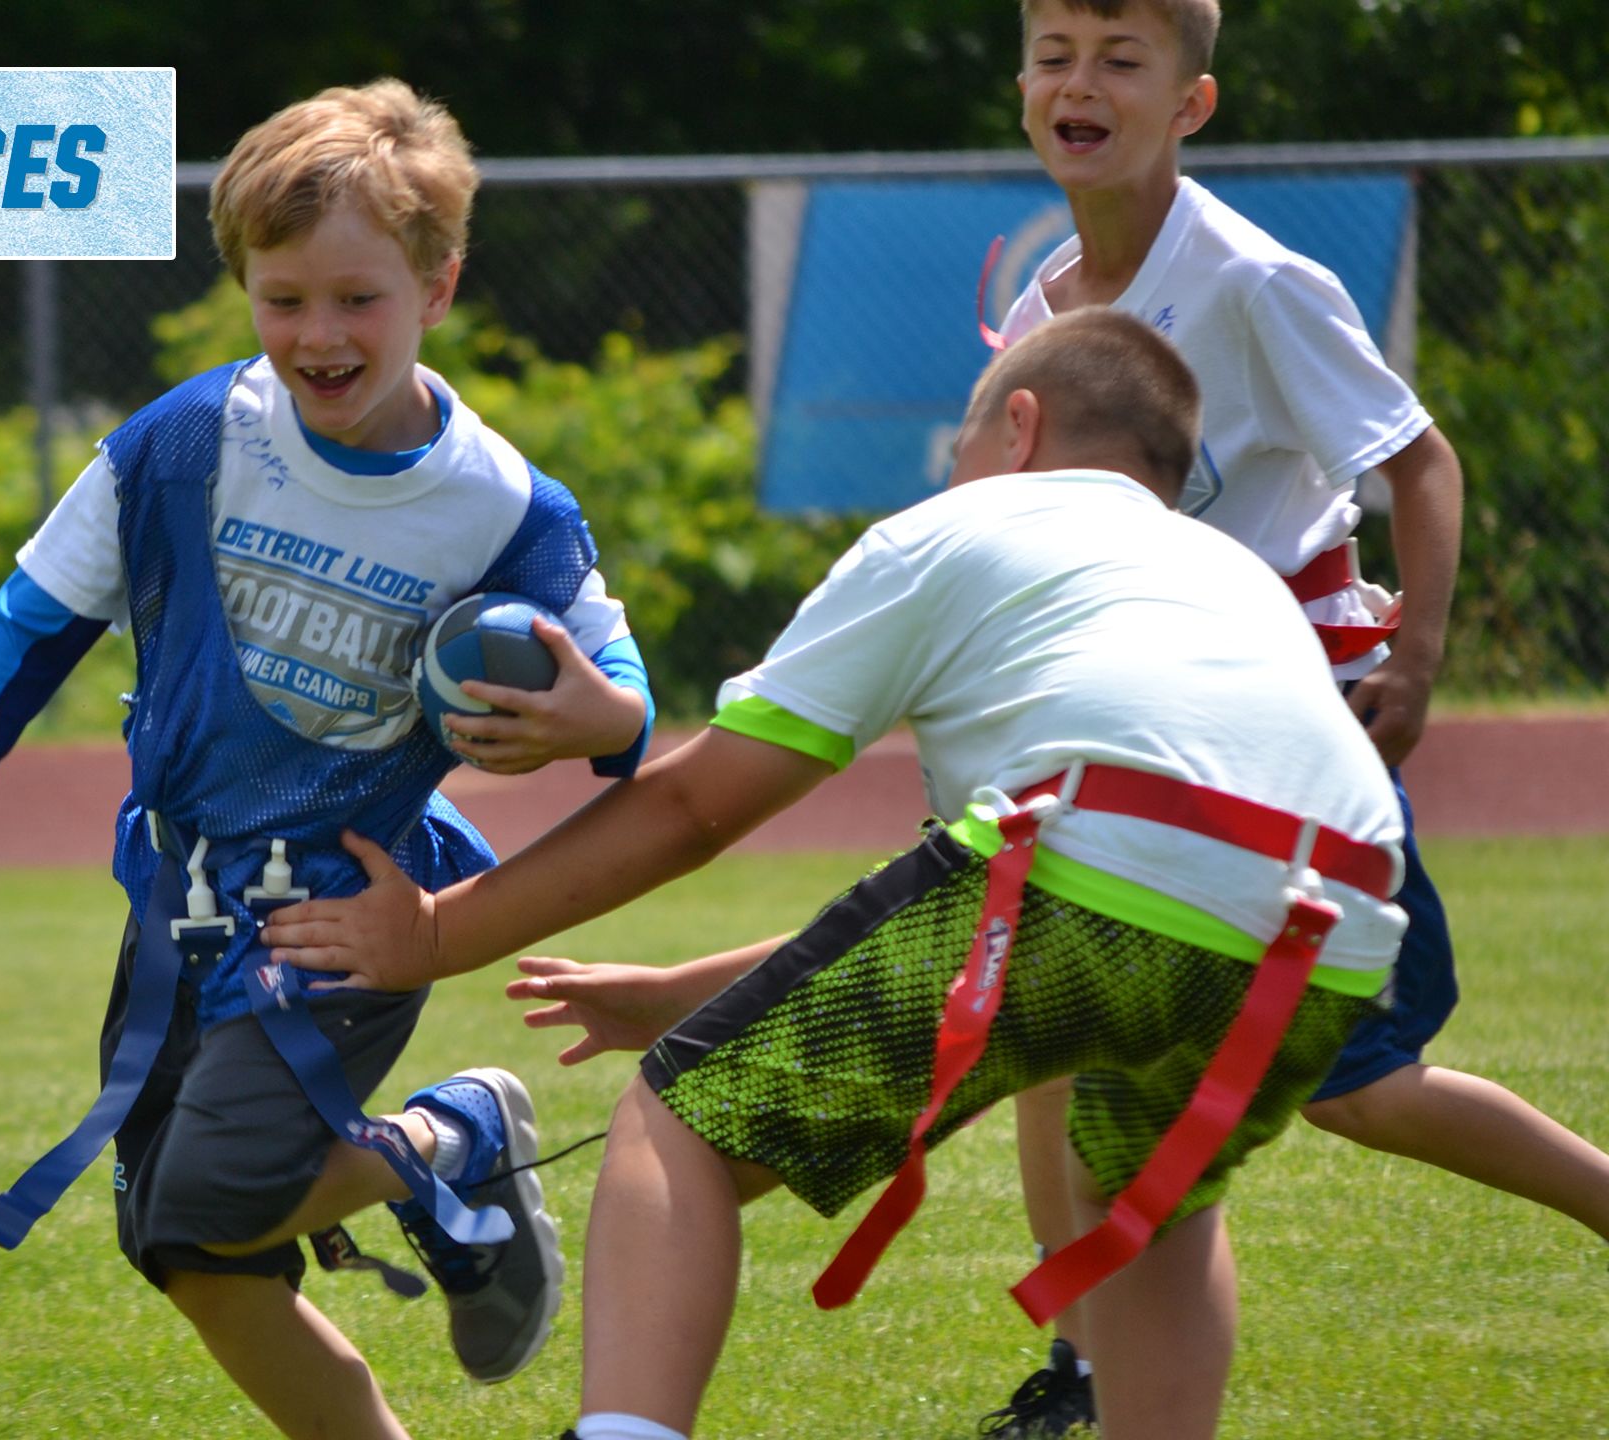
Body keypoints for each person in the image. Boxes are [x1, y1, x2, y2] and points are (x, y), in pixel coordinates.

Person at [262, 307, 1410, 1440]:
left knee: (677, 1125)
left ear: (1016, 427)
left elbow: (695, 807)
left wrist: (434, 934)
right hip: (1334, 928)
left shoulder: (962, 533)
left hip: (1088, 867)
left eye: (962, 446)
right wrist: (677, 992)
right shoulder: (1229, 579)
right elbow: (983, 896)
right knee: (1152, 1206)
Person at [0, 79, 658, 1440]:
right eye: (283, 299)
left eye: (358, 299)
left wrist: (597, 721)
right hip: (182, 895)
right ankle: (451, 1190)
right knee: (185, 1253)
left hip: (351, 896)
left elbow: (626, 706)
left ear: (437, 286)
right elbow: (17, 641)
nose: (319, 334)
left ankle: (443, 1141)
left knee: (209, 1200)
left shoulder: (506, 507)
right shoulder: (175, 448)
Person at [984, 3, 1609, 1429]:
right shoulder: (1042, 318)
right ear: (1022, 83)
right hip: (1159, 726)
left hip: (1291, 724)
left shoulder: (1254, 281)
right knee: (1052, 1026)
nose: (1081, 84)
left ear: (1190, 102)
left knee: (1363, 1087)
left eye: (1120, 60)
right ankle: (1082, 1370)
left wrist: (1423, 655)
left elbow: (1420, 461)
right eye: (1056, 53)